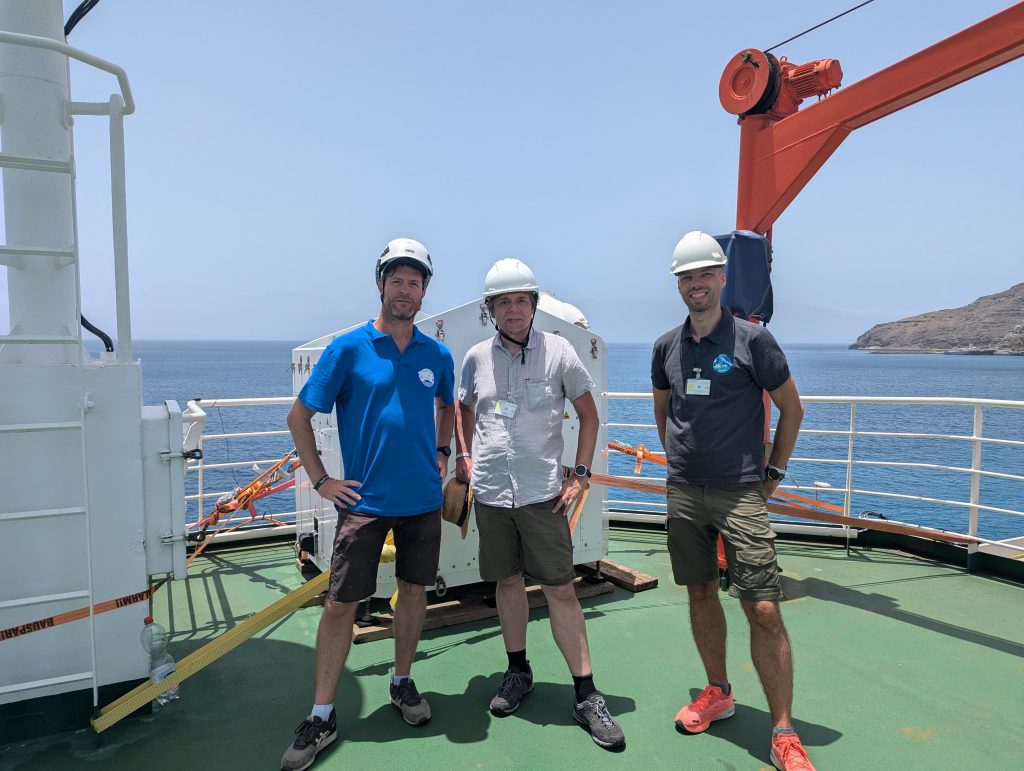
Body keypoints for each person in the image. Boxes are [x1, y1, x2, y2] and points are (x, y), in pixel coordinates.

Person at [281, 238, 455, 771]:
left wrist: (443, 451)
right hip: (364, 503)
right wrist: (322, 480)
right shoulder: (347, 349)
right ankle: (323, 712)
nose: (406, 290)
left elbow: (448, 405)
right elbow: (299, 417)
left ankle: (402, 682)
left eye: (416, 282)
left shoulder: (437, 354)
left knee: (412, 592)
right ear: (380, 284)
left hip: (422, 500)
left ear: (425, 291)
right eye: (397, 280)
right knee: (339, 606)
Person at [651, 231, 812, 771]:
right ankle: (718, 691)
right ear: (678, 284)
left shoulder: (752, 342)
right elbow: (665, 412)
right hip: (685, 493)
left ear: (721, 278)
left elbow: (792, 409)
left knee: (763, 607)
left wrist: (774, 471)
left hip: (741, 491)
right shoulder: (666, 347)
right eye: (686, 277)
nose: (695, 284)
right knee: (700, 595)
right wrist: (679, 464)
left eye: (704, 275)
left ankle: (783, 731)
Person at [455, 258, 625, 750]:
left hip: (542, 497)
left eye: (521, 300)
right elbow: (464, 406)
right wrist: (465, 458)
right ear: (490, 310)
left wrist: (581, 474)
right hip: (491, 495)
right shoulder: (475, 358)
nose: (513, 310)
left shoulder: (560, 354)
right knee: (506, 582)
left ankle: (586, 694)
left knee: (561, 590)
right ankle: (517, 671)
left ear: (533, 304)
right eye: (503, 302)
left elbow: (588, 416)